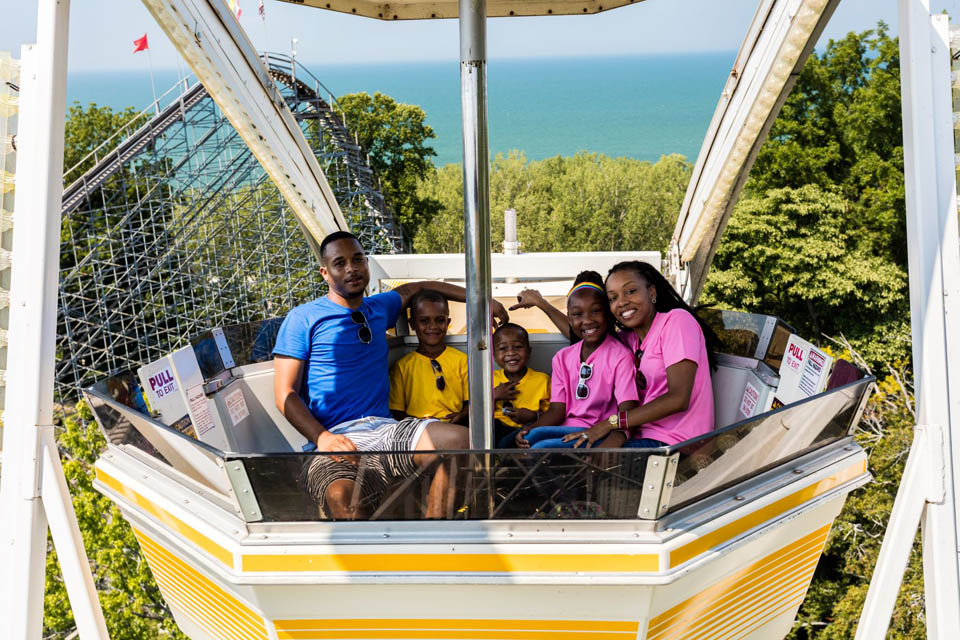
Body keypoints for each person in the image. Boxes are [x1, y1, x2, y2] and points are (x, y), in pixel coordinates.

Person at [272, 231, 508, 519]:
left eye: (358, 260)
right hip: (336, 435)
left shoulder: (379, 307)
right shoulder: (303, 318)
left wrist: (480, 300)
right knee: (343, 499)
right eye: (340, 263)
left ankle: (435, 534)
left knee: (464, 443)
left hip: (387, 430)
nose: (352, 269)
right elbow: (284, 394)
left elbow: (419, 287)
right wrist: (323, 438)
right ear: (325, 272)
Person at [516, 272, 639, 449]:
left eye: (596, 311)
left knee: (540, 448)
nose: (587, 320)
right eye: (577, 314)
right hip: (567, 427)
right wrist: (529, 429)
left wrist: (619, 434)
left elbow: (627, 407)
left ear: (608, 313)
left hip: (598, 431)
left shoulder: (620, 356)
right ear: (570, 317)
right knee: (532, 436)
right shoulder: (563, 357)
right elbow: (557, 410)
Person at [389, 289, 469, 425]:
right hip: (417, 431)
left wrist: (464, 415)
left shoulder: (462, 360)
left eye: (439, 320)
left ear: (447, 322)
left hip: (455, 427)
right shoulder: (402, 367)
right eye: (424, 321)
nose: (433, 327)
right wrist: (416, 425)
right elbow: (397, 411)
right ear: (412, 324)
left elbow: (471, 403)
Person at [491, 323, 551, 448]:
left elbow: (553, 415)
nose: (511, 353)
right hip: (495, 430)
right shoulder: (489, 379)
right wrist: (494, 396)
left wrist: (534, 416)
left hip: (527, 430)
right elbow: (477, 414)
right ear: (494, 355)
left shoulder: (542, 380)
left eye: (518, 347)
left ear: (528, 352)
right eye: (503, 348)